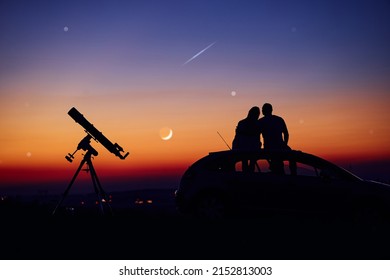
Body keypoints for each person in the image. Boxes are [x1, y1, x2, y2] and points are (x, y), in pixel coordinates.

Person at [258, 103, 294, 174]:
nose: (262, 110)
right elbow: (286, 133)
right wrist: (285, 144)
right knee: (292, 157)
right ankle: (293, 174)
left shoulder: (261, 121)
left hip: (268, 147)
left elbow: (256, 135)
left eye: (263, 109)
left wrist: (259, 146)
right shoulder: (279, 119)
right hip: (280, 146)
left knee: (277, 163)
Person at [232, 106, 261, 172]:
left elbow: (237, 136)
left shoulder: (242, 123)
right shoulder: (257, 124)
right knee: (249, 165)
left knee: (246, 165)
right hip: (250, 148)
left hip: (245, 148)